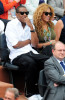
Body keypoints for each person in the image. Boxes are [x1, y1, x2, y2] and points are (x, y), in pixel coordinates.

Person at [5, 5, 49, 100]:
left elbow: (34, 44)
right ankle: (30, 93)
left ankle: (44, 90)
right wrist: (28, 41)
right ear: (16, 15)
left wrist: (31, 28)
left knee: (48, 61)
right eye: (22, 13)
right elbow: (16, 45)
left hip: (30, 52)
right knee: (31, 63)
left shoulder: (30, 24)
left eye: (26, 13)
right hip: (17, 55)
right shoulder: (11, 25)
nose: (25, 15)